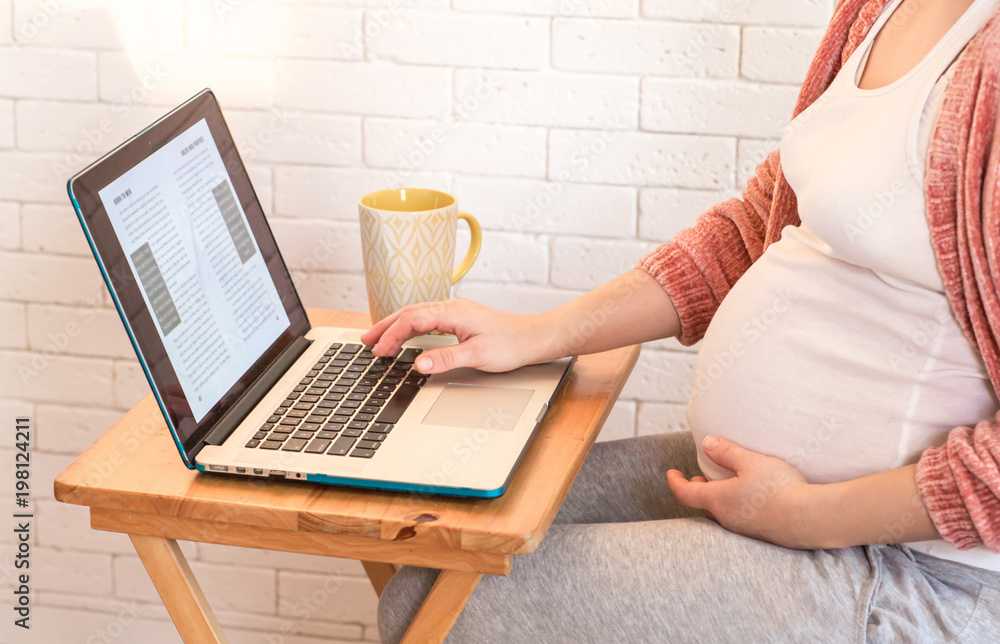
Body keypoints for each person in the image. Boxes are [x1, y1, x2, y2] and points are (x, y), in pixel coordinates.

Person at [363, 0, 1000, 641]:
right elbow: (760, 227)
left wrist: (803, 514)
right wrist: (539, 333)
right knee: (433, 550)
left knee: (449, 611)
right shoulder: (876, 11)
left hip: (912, 574)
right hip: (763, 492)